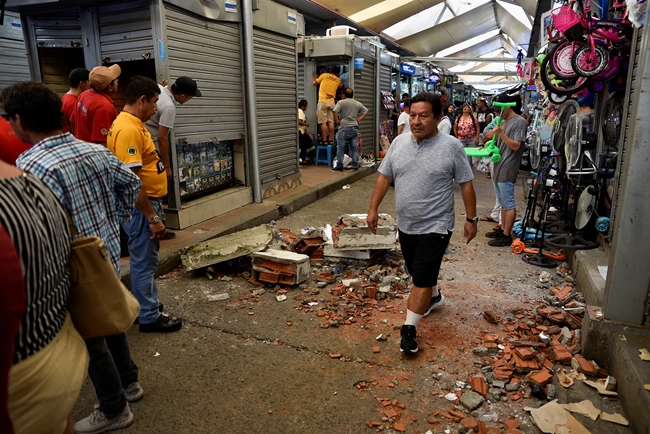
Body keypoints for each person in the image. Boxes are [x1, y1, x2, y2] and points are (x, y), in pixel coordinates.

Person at [7, 81, 143, 434]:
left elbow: (38, 228)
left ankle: (115, 408)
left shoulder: (30, 164)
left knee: (91, 336)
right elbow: (130, 184)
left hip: (72, 267)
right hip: (106, 254)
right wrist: (115, 220)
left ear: (20, 120)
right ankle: (130, 383)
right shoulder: (93, 150)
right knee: (110, 316)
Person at [0, 95, 89, 433]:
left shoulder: (33, 164)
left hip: (25, 376)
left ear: (20, 120)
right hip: (61, 344)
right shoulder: (29, 180)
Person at [366, 92, 477, 354]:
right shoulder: (399, 143)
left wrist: (471, 219)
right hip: (407, 224)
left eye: (423, 116)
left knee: (421, 280)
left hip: (437, 226)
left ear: (438, 117)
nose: (416, 121)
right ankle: (435, 297)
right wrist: (372, 209)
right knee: (418, 273)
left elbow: (467, 184)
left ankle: (409, 329)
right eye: (412, 115)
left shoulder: (451, 147)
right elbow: (384, 177)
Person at [108, 76, 183, 333]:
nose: (155, 109)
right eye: (153, 103)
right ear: (141, 100)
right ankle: (149, 317)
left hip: (145, 205)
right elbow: (133, 180)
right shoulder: (128, 129)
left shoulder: (134, 124)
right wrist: (152, 216)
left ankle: (146, 306)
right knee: (144, 262)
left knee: (146, 260)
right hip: (142, 208)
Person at [482, 93, 527, 247]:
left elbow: (516, 145)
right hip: (498, 164)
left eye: (498, 110)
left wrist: (500, 133)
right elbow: (487, 136)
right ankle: (502, 229)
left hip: (508, 166)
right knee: (502, 201)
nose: (496, 113)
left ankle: (507, 235)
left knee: (508, 202)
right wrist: (493, 134)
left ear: (507, 106)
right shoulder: (502, 120)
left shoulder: (519, 122)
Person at [144, 76, 201, 180]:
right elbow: (162, 137)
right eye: (190, 97)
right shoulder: (169, 107)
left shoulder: (159, 88)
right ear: (183, 96)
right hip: (151, 147)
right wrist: (167, 166)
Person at [73, 64, 121, 145]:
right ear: (109, 87)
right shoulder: (104, 107)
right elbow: (103, 143)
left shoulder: (84, 94)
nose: (117, 81)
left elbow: (73, 122)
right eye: (115, 80)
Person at [332, 88, 368, 172]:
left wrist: (337, 121)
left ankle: (340, 165)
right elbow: (366, 111)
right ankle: (355, 164)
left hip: (344, 127)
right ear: (352, 95)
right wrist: (358, 119)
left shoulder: (341, 102)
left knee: (340, 147)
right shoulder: (357, 103)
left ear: (344, 95)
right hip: (354, 128)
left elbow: (334, 111)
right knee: (354, 147)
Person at [312, 66, 343, 145]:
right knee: (331, 121)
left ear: (330, 70)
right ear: (338, 73)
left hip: (323, 101)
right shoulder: (338, 80)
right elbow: (341, 86)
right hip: (331, 102)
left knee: (323, 122)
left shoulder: (324, 75)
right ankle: (331, 140)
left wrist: (315, 77)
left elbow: (314, 83)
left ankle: (324, 140)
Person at [61, 68, 90, 134]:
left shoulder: (66, 97)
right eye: (89, 81)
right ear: (82, 83)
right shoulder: (73, 103)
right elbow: (77, 129)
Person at [298, 99, 312, 164]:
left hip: (302, 131)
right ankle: (303, 159)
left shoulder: (301, 112)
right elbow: (299, 122)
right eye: (306, 106)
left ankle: (304, 158)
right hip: (300, 131)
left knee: (305, 144)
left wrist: (307, 131)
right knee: (303, 145)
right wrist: (306, 124)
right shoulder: (300, 111)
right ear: (303, 106)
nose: (307, 107)